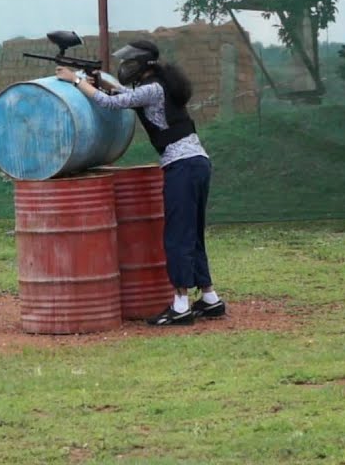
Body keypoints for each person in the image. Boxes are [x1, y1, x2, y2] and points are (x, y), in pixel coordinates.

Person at [56, 40, 224, 326]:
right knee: (191, 232)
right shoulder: (159, 85)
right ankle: (209, 298)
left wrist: (75, 80)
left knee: (177, 235)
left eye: (130, 62)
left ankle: (181, 306)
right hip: (197, 162)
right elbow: (125, 96)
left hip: (182, 166)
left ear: (141, 64)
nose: (125, 66)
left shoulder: (152, 88)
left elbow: (112, 103)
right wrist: (99, 82)